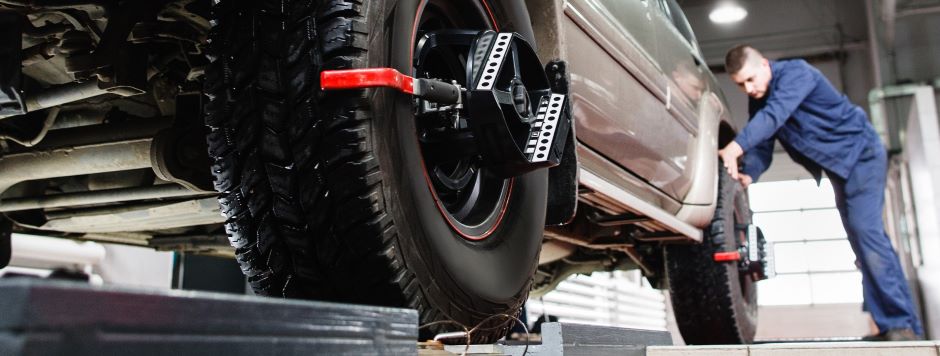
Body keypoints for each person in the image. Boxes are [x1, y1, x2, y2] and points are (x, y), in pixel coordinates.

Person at [717, 45, 924, 341]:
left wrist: (734, 147)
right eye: (740, 84)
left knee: (868, 235)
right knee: (862, 244)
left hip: (862, 157)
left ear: (764, 64)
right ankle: (893, 325)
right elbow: (762, 144)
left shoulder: (797, 74)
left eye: (751, 79)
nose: (748, 89)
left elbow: (775, 117)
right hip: (840, 168)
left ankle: (901, 324)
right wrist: (750, 172)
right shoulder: (760, 100)